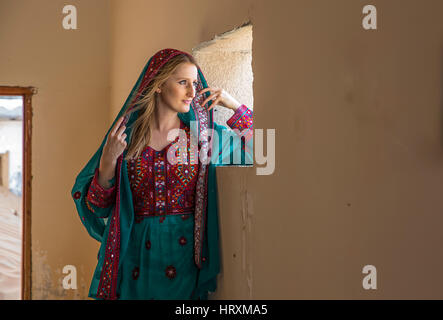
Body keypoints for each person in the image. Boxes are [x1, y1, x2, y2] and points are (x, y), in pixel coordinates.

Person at [71, 48, 253, 300]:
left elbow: (262, 151)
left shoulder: (202, 139)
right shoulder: (126, 140)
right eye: (182, 82)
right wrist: (107, 161)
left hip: (183, 261)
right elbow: (97, 207)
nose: (192, 92)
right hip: (134, 261)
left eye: (195, 83)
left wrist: (233, 105)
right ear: (157, 84)